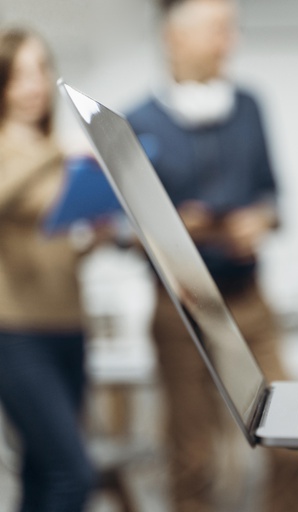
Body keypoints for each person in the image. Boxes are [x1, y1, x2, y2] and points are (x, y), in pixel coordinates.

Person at [126, 1, 298, 511]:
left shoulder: (249, 106)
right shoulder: (138, 122)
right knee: (194, 458)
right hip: (179, 310)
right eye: (216, 31)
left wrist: (260, 221)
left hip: (250, 302)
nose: (229, 42)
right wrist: (173, 230)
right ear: (174, 38)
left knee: (290, 441)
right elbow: (124, 230)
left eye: (231, 30)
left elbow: (273, 199)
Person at [0, 28, 95, 511]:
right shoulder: (31, 152)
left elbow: (57, 243)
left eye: (40, 69)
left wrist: (96, 233)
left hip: (68, 327)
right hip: (16, 335)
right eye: (18, 74)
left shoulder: (57, 155)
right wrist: (58, 150)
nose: (34, 84)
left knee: (42, 471)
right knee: (72, 474)